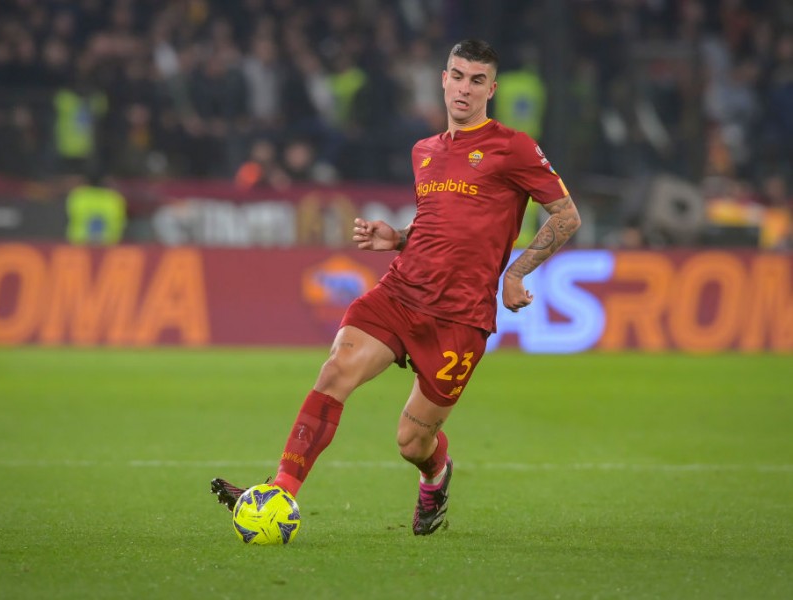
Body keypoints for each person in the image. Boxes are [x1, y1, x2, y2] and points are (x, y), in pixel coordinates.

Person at [211, 39, 582, 536]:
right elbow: (444, 221)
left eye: (477, 80)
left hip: (461, 316)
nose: (464, 89)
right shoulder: (424, 151)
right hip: (402, 292)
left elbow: (567, 215)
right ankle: (280, 491)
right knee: (336, 370)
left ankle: (437, 474)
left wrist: (515, 273)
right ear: (443, 79)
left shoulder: (513, 147)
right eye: (457, 75)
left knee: (412, 441)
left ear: (491, 89)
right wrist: (399, 237)